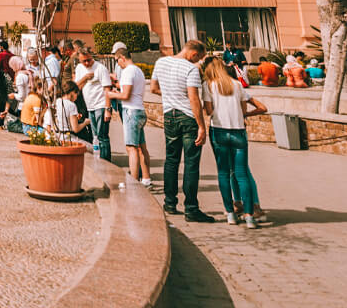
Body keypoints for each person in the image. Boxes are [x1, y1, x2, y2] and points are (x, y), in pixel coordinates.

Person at [152, 40, 214, 222]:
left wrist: (171, 95)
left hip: (169, 116)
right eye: (199, 58)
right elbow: (193, 98)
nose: (198, 62)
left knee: (171, 160)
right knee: (191, 163)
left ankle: (170, 203)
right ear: (193, 53)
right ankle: (191, 208)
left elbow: (154, 88)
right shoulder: (190, 69)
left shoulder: (160, 62)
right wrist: (201, 126)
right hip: (187, 118)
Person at [202, 57, 268, 228]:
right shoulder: (237, 85)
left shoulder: (208, 85)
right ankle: (249, 216)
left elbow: (209, 111)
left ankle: (230, 213)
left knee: (224, 173)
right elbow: (245, 109)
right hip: (238, 131)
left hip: (219, 131)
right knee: (242, 174)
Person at [107, 42, 151, 187]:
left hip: (131, 112)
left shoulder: (127, 71)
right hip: (140, 110)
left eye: (116, 60)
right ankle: (146, 179)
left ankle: (133, 182)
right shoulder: (138, 71)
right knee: (141, 148)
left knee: (131, 148)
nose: (117, 64)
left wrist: (111, 94)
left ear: (122, 58)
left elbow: (125, 95)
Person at [75, 50, 114, 161]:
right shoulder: (79, 68)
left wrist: (107, 109)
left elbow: (107, 89)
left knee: (102, 136)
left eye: (89, 60)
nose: (87, 63)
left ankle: (106, 160)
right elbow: (77, 86)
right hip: (89, 106)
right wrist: (85, 78)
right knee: (95, 136)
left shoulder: (100, 68)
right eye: (84, 61)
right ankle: (98, 158)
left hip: (100, 105)